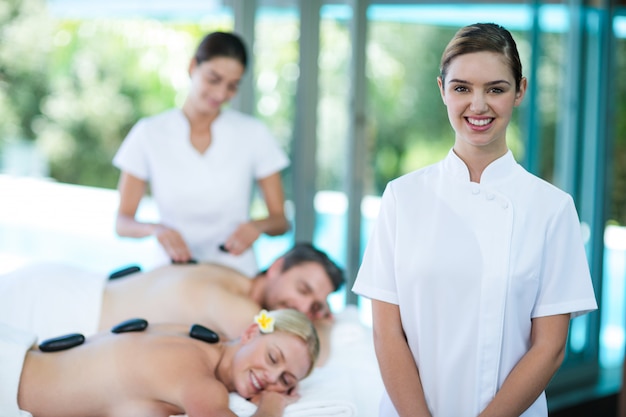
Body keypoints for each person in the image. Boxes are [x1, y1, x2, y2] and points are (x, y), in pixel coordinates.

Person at [352, 23, 597, 417]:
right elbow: (386, 333)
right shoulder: (403, 197)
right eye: (462, 88)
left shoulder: (552, 208)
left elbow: (549, 348)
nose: (478, 105)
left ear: (520, 91)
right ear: (442, 90)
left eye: (496, 89)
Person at [113, 31, 290, 277]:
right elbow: (122, 222)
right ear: (192, 66)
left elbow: (281, 221)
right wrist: (157, 230)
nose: (220, 94)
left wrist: (257, 226)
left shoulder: (253, 134)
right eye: (213, 79)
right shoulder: (149, 133)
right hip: (171, 273)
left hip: (235, 273)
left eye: (232, 86)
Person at [0, 242, 344, 342]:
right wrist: (324, 326)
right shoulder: (237, 306)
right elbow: (296, 347)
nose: (301, 305)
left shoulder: (231, 276)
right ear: (277, 266)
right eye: (302, 289)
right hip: (57, 309)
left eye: (314, 305)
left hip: (62, 287)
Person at [14, 309, 319, 417]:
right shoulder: (200, 381)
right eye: (273, 358)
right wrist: (272, 406)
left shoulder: (198, 336)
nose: (272, 379)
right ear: (252, 332)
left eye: (286, 381)